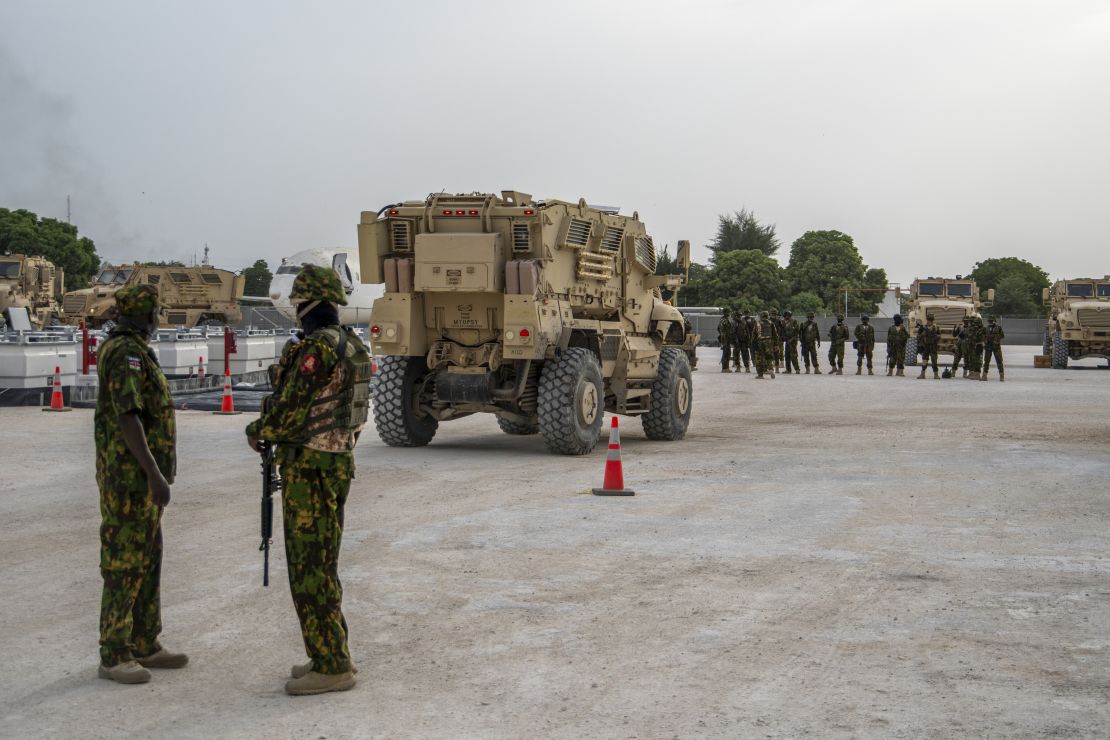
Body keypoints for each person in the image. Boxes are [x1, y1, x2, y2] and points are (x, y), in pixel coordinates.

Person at [245, 264, 373, 696]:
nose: (297, 311)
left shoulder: (317, 349)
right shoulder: (352, 345)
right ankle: (329, 652)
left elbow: (289, 411)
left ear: (309, 305)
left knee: (309, 566)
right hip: (336, 464)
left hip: (311, 468)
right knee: (324, 561)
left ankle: (332, 665)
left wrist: (257, 431)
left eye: (299, 304)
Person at [94, 284, 187, 684]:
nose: (156, 320)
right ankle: (114, 653)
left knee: (148, 560)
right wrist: (153, 474)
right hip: (130, 479)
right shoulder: (125, 353)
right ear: (147, 315)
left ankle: (145, 641)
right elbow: (128, 417)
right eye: (155, 313)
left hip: (143, 481)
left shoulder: (132, 349)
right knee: (125, 563)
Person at [754, 310, 778, 379]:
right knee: (769, 357)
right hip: (769, 341)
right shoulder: (771, 323)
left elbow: (754, 334)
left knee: (759, 358)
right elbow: (775, 334)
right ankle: (771, 369)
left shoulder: (757, 323)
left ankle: (760, 374)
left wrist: (753, 344)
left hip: (760, 341)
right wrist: (776, 344)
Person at [981, 315, 1005, 381]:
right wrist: (985, 340)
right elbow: (983, 336)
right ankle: (984, 375)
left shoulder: (998, 328)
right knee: (986, 361)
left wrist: (996, 338)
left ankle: (1001, 375)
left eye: (991, 320)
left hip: (996, 346)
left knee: (999, 361)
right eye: (990, 320)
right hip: (988, 346)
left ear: (994, 320)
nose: (990, 321)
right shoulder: (986, 328)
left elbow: (1002, 335)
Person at [916, 314, 941, 379]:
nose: (930, 321)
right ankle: (922, 374)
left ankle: (936, 374)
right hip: (926, 346)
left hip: (933, 347)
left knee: (934, 361)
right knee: (924, 361)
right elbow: (918, 336)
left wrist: (935, 336)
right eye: (929, 320)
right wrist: (922, 334)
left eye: (931, 320)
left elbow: (939, 336)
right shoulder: (923, 327)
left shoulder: (936, 327)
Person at [781, 310, 801, 374]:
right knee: (787, 355)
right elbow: (783, 331)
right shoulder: (783, 322)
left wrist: (793, 339)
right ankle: (788, 369)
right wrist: (784, 338)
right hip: (787, 341)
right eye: (785, 316)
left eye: (787, 316)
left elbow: (797, 331)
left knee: (793, 355)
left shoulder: (794, 321)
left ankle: (797, 369)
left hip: (793, 341)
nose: (786, 317)